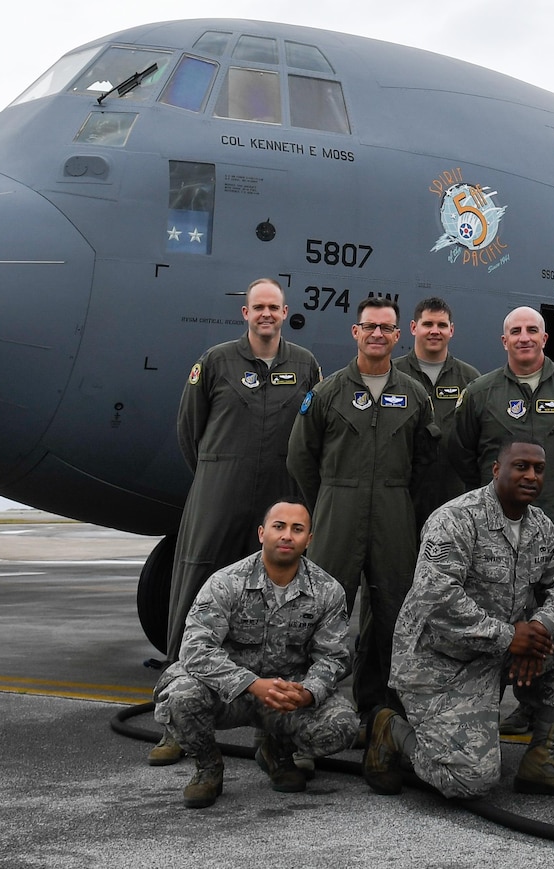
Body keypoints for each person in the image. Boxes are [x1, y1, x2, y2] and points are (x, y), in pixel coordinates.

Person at [365, 439, 554, 800]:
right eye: (520, 466)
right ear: (496, 470)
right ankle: (392, 731)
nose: (531, 475)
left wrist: (540, 626)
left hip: (499, 652)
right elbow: (438, 599)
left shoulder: (539, 525)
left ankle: (541, 756)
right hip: (441, 662)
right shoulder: (456, 519)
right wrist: (510, 637)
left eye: (538, 469)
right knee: (469, 781)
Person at [154, 278, 322, 764]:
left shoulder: (305, 365)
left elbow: (312, 433)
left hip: (279, 496)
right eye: (257, 308)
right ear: (244, 313)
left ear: (285, 312)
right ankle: (172, 720)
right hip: (219, 493)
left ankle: (278, 726)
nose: (265, 315)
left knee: (286, 600)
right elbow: (190, 431)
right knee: (193, 594)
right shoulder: (214, 362)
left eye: (273, 307)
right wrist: (217, 472)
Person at [455, 306, 554, 753]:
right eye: (515, 332)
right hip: (496, 530)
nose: (524, 338)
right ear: (503, 340)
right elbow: (462, 454)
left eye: (532, 331)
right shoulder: (480, 392)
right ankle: (506, 710)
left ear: (546, 338)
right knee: (501, 613)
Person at [152, 500, 360, 808]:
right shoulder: (226, 583)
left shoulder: (328, 591)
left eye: (297, 529)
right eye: (279, 527)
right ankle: (208, 768)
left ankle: (276, 751)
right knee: (181, 694)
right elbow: (195, 649)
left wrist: (307, 692)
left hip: (286, 696)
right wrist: (252, 684)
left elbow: (333, 657)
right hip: (229, 693)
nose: (287, 535)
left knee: (342, 725)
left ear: (309, 539)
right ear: (262, 533)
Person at [287, 296, 438, 715]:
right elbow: (300, 456)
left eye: (385, 328)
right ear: (356, 332)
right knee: (322, 613)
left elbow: (424, 460)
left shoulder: (414, 394)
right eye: (369, 326)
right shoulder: (327, 391)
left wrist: (400, 503)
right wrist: (328, 502)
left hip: (393, 513)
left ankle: (381, 713)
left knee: (394, 612)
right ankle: (309, 710)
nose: (377, 334)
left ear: (397, 335)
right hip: (337, 508)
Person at [398, 296, 481, 522]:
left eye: (442, 325)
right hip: (402, 498)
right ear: (414, 328)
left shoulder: (471, 380)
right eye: (428, 324)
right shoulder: (394, 375)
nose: (435, 331)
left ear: (451, 330)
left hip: (454, 498)